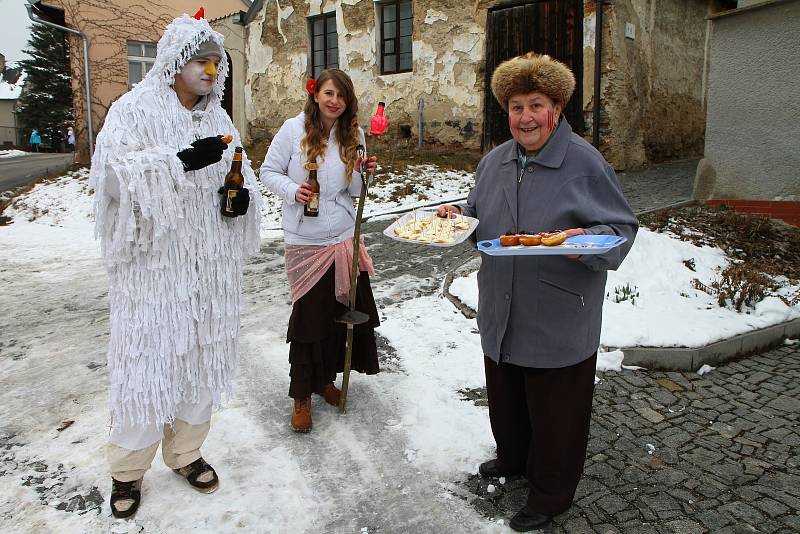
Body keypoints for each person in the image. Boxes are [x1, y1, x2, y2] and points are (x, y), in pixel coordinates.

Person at [437, 53, 638, 532]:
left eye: (536, 105)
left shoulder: (584, 163)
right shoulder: (494, 161)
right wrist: (455, 218)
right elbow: (477, 214)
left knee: (556, 411)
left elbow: (622, 227)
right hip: (501, 303)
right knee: (506, 395)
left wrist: (583, 245)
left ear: (557, 108)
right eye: (515, 107)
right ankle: (513, 458)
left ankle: (550, 493)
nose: (525, 117)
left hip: (558, 309)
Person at [88, 11, 262, 519]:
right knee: (145, 365)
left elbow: (240, 171)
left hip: (209, 271)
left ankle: (185, 452)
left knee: (200, 365)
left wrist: (242, 198)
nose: (211, 70)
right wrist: (181, 161)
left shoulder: (219, 118)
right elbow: (112, 180)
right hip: (154, 272)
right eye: (201, 60)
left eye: (217, 62)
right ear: (175, 62)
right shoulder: (133, 110)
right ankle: (127, 468)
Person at [260, 68, 379, 433]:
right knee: (309, 320)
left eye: (341, 96)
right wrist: (292, 191)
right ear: (316, 95)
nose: (335, 101)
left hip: (342, 234)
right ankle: (301, 396)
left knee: (339, 315)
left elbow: (355, 191)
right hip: (306, 239)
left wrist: (365, 171)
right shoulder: (292, 130)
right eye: (329, 93)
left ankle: (326, 379)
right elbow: (267, 171)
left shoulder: (353, 134)